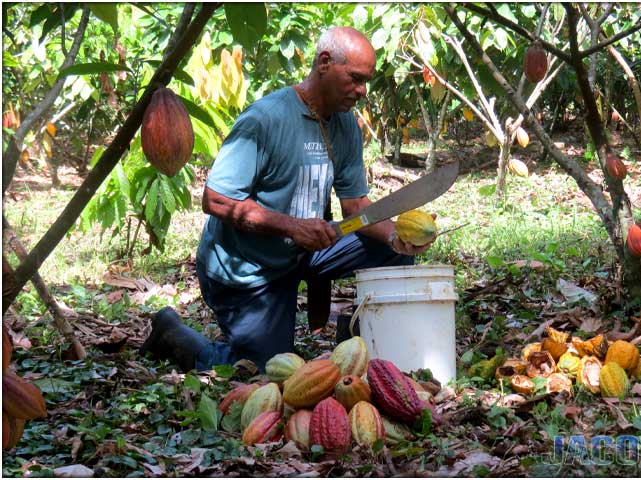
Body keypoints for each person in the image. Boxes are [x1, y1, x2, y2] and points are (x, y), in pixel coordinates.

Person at [140, 26, 436, 372]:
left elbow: (355, 206)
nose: (362, 91)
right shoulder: (266, 119)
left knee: (389, 251)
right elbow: (216, 199)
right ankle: (170, 332)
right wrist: (293, 227)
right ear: (325, 63)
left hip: (303, 250)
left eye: (365, 81)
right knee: (262, 370)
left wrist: (393, 237)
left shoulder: (345, 125)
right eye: (356, 79)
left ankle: (354, 353)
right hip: (247, 270)